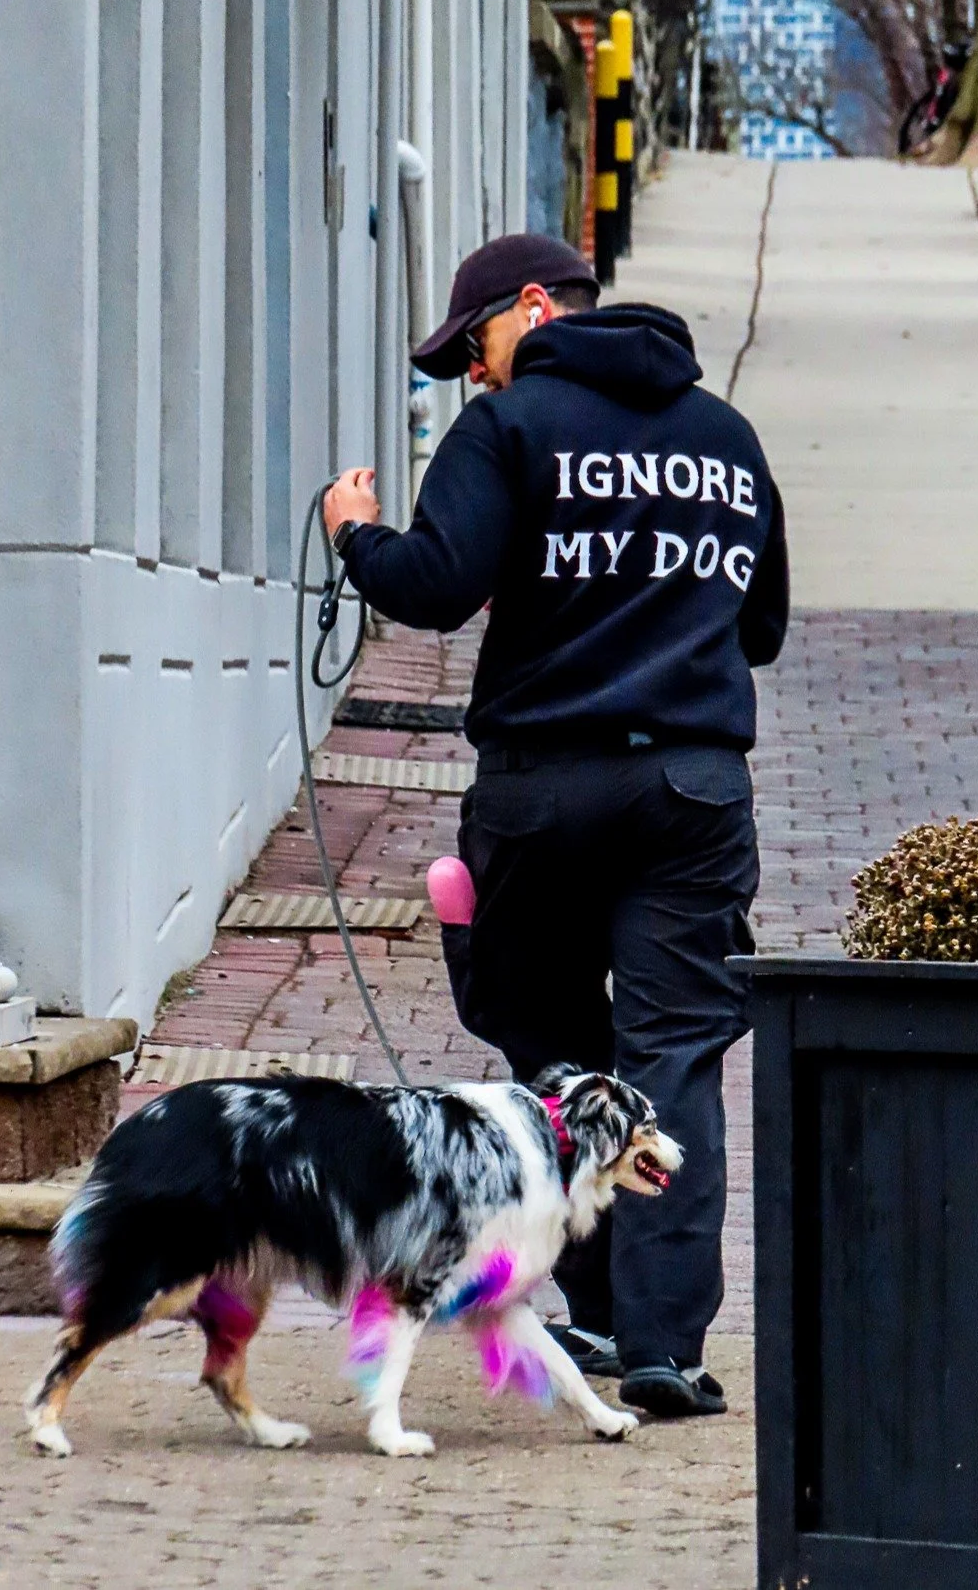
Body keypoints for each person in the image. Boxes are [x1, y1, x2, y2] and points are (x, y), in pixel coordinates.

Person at [323, 232, 788, 1418]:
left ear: (531, 311)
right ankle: (664, 1346)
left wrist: (351, 533)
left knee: (547, 1038)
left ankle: (584, 1305)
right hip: (691, 787)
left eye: (471, 346)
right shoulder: (728, 441)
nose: (472, 376)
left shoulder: (513, 426)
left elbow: (431, 581)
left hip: (540, 787)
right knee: (675, 1053)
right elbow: (763, 625)